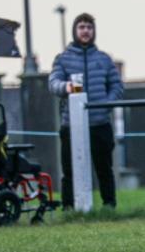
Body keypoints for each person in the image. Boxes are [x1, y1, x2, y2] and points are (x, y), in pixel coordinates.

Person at [49, 13, 124, 209]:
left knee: (104, 170)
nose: (85, 31)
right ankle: (69, 209)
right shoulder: (62, 59)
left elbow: (117, 87)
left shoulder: (104, 59)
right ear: (75, 31)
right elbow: (53, 83)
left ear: (94, 32)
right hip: (71, 125)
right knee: (69, 171)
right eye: (81, 27)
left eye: (89, 27)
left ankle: (109, 206)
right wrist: (65, 86)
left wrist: (106, 103)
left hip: (100, 124)